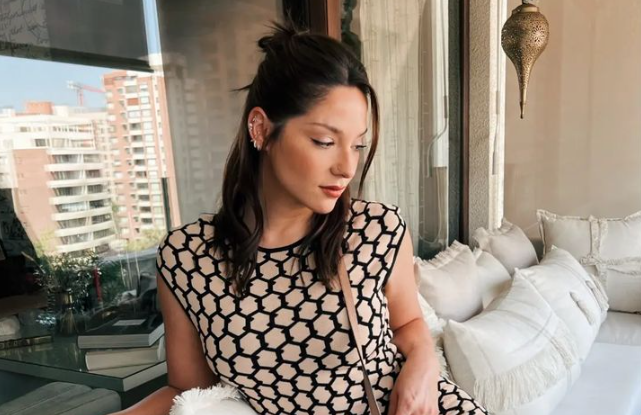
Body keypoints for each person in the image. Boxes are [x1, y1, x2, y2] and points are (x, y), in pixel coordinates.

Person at [111, 22, 488, 415]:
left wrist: (424, 368)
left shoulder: (376, 230)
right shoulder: (186, 259)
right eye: (324, 142)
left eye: (357, 145)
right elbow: (187, 392)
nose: (347, 167)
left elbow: (408, 324)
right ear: (261, 129)